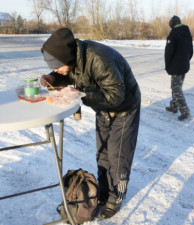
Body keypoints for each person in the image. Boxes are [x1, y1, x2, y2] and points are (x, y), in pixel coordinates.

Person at [40, 28, 141, 219]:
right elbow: (67, 73)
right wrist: (53, 78)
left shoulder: (99, 59)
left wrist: (81, 95)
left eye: (57, 66)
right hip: (102, 106)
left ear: (67, 57)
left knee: (118, 156)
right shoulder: (71, 60)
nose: (56, 69)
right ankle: (103, 192)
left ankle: (115, 198)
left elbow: (115, 96)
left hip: (125, 107)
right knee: (103, 153)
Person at [164, 15, 193, 121]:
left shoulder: (174, 33)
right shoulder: (187, 33)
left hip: (176, 66)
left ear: (172, 24)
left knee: (176, 88)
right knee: (176, 86)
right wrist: (186, 61)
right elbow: (191, 51)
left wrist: (167, 65)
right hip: (184, 65)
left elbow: (168, 52)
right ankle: (173, 106)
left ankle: (185, 111)